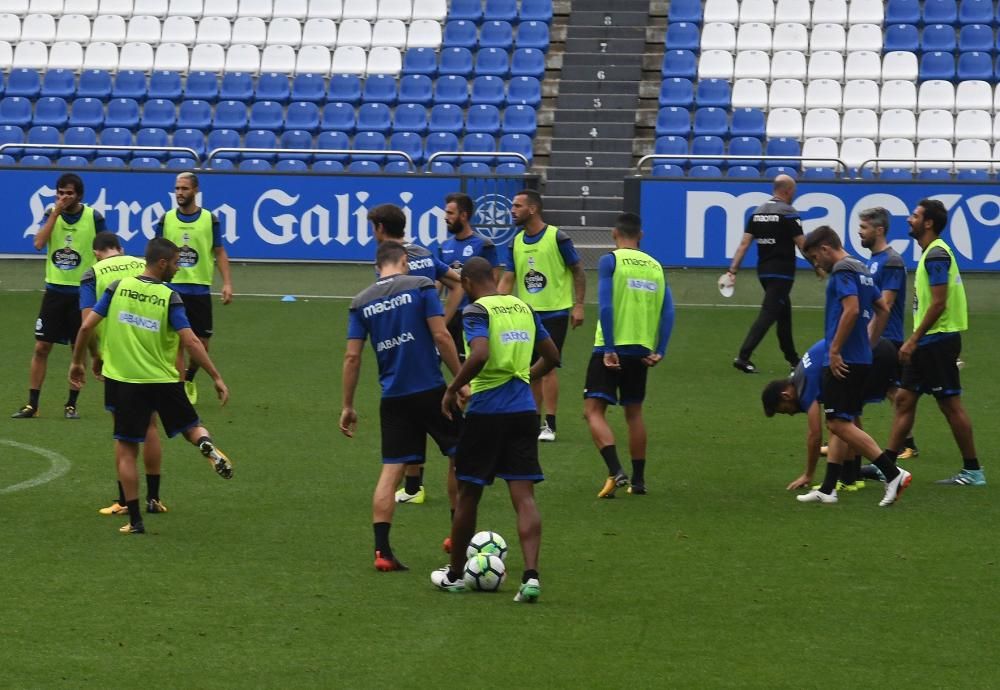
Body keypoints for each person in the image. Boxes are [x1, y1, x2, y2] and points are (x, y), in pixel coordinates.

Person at [69, 238, 234, 535]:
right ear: (161, 263)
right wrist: (215, 376)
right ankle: (205, 445)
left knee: (127, 449)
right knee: (191, 426)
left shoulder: (116, 287)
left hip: (125, 381)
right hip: (163, 378)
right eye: (175, 263)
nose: (177, 268)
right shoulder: (169, 296)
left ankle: (134, 520)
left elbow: (85, 326)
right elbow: (191, 341)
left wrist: (78, 361)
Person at [431, 257, 560, 602]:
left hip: (487, 412)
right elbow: (552, 356)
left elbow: (480, 354)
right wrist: (524, 377)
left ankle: (456, 574)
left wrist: (453, 386)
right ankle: (530, 577)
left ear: (469, 283)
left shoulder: (476, 311)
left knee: (469, 492)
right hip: (523, 413)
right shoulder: (524, 308)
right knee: (524, 496)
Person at [340, 241, 466, 571]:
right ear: (405, 261)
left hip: (393, 397)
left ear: (377, 266)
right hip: (432, 390)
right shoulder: (421, 286)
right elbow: (442, 337)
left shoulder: (361, 302)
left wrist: (348, 405)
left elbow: (352, 357)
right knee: (459, 455)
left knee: (391, 470)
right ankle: (458, 535)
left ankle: (382, 552)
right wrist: (459, 382)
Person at [799, 226, 910, 507]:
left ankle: (892, 473)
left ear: (825, 249)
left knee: (837, 422)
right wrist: (869, 343)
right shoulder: (862, 267)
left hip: (843, 359)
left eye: (814, 257)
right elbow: (882, 308)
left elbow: (850, 309)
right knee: (841, 421)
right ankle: (828, 488)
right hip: (860, 357)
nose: (816, 264)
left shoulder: (843, 270)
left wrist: (835, 351)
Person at [368, 202, 464, 507]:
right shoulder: (423, 252)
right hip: (431, 340)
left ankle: (414, 485)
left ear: (380, 228)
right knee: (429, 404)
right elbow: (458, 284)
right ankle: (414, 487)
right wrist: (442, 319)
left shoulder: (386, 262)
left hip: (404, 344)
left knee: (409, 407)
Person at [887, 199, 984, 486]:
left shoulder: (936, 255)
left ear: (928, 223)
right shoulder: (932, 253)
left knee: (950, 405)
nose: (909, 219)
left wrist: (912, 340)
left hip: (937, 340)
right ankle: (887, 466)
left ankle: (973, 471)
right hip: (929, 340)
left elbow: (939, 303)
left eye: (915, 215)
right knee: (904, 399)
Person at [583, 213, 675, 498]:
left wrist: (609, 347)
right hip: (641, 349)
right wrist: (660, 349)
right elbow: (668, 311)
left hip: (611, 347)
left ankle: (615, 469)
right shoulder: (656, 266)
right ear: (641, 235)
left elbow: (606, 305)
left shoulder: (611, 261)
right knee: (633, 413)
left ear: (614, 233)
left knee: (593, 411)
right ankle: (639, 481)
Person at [79, 232, 167, 516]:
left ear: (96, 252)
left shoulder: (91, 274)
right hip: (152, 357)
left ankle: (124, 501)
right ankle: (154, 498)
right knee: (151, 425)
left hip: (117, 361)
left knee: (124, 436)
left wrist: (92, 357)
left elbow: (87, 324)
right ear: (120, 248)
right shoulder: (143, 264)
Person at [13, 173, 105, 419]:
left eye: (69, 193)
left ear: (80, 195)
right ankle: (33, 404)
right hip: (54, 291)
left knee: (78, 348)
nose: (64, 197)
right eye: (60, 193)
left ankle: (71, 404)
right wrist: (54, 214)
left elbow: (104, 250)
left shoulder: (93, 217)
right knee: (41, 346)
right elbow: (38, 244)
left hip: (81, 293)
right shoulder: (50, 215)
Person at [499, 189, 586, 442]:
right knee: (529, 369)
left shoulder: (557, 237)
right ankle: (532, 421)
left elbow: (578, 271)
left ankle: (550, 423)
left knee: (547, 367)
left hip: (555, 313)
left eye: (517, 206)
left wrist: (578, 305)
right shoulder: (515, 242)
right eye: (512, 205)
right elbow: (508, 278)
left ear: (533, 209)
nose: (512, 210)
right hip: (525, 315)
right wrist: (496, 306)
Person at [762, 337, 901, 493]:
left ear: (786, 395)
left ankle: (892, 473)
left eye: (785, 410)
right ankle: (851, 478)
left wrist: (808, 474)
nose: (791, 414)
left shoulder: (803, 387)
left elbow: (814, 435)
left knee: (836, 422)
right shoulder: (801, 374)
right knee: (845, 417)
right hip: (878, 348)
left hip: (873, 355)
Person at [154, 172, 233, 405]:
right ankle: (178, 389)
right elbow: (156, 251)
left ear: (196, 190)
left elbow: (219, 251)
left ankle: (188, 377)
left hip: (199, 290)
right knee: (178, 343)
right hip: (172, 288)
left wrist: (227, 282)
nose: (179, 193)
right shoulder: (166, 219)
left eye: (184, 189)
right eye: (177, 189)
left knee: (202, 344)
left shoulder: (210, 219)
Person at [727, 174, 805, 374]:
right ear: (787, 191)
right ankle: (743, 356)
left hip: (764, 272)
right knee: (769, 313)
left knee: (783, 314)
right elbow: (802, 244)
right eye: (793, 191)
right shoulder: (789, 213)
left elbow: (744, 244)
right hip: (783, 273)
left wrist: (732, 270)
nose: (794, 195)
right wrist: (819, 265)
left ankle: (794, 360)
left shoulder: (757, 212)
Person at [858, 206, 919, 459]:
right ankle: (908, 443)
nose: (860, 232)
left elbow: (887, 303)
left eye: (864, 228)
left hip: (886, 337)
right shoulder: (874, 260)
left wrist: (868, 339)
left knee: (862, 389)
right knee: (892, 391)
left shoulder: (891, 261)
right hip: (876, 335)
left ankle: (846, 440)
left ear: (879, 230)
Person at [438, 192, 503, 359]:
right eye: (446, 212)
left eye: (450, 213)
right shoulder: (444, 246)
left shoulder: (484, 244)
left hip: (474, 314)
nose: (446, 217)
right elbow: (438, 282)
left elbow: (494, 279)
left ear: (464, 215)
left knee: (468, 365)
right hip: (451, 313)